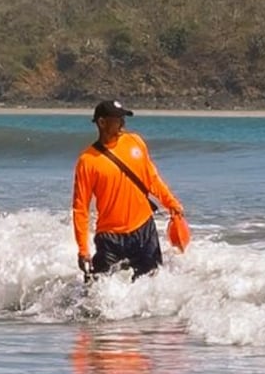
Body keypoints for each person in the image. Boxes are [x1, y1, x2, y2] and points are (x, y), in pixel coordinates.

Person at [72, 99, 183, 280]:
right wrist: (83, 250)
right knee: (97, 294)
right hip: (110, 238)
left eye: (123, 118)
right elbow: (80, 208)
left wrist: (171, 203)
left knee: (152, 284)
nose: (123, 123)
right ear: (102, 122)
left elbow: (151, 179)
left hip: (143, 229)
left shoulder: (135, 142)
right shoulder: (87, 160)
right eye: (117, 119)